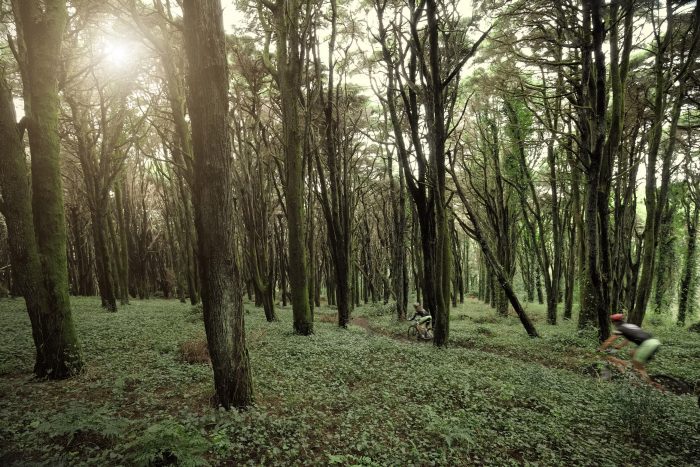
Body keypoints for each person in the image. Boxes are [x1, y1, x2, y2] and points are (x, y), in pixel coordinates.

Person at [599, 313, 661, 381]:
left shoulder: (620, 328)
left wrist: (601, 349)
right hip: (654, 342)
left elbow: (609, 341)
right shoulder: (630, 326)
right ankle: (637, 372)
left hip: (647, 344)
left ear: (615, 322)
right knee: (632, 353)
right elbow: (627, 340)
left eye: (613, 322)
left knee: (637, 365)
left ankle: (648, 384)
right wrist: (619, 346)